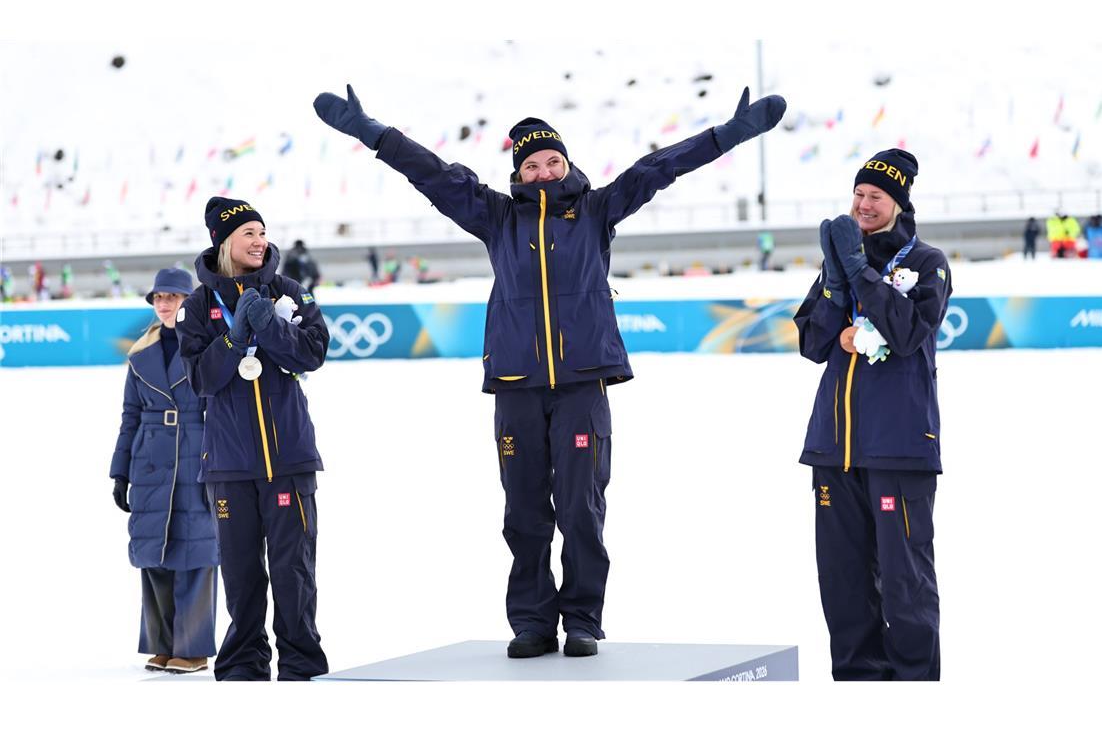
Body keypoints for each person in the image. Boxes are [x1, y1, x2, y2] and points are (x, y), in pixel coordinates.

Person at [313, 83, 786, 658]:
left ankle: (583, 618)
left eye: (552, 162)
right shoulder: (495, 216)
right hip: (516, 384)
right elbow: (431, 173)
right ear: (519, 171)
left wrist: (730, 134)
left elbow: (660, 167)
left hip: (583, 382)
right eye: (531, 164)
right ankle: (533, 621)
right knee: (525, 512)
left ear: (567, 164)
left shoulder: (597, 209)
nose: (542, 172)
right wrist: (371, 132)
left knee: (582, 509)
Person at [793, 148, 950, 681]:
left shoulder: (927, 263)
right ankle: (858, 691)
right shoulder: (839, 258)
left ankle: (914, 692)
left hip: (900, 446)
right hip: (834, 447)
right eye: (858, 194)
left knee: (905, 582)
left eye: (874, 197)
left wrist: (861, 273)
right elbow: (813, 342)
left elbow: (906, 333)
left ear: (898, 203)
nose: (862, 205)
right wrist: (837, 282)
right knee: (842, 580)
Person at [175, 197, 331, 681]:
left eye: (262, 232)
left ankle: (302, 665)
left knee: (294, 574)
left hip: (289, 459)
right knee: (242, 578)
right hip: (229, 465)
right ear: (224, 242)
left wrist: (272, 327)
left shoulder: (290, 292)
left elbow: (313, 354)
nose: (260, 241)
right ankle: (243, 665)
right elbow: (201, 379)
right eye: (249, 234)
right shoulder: (198, 307)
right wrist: (235, 338)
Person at [109, 268, 218, 674]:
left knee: (197, 551)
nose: (165, 304)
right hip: (151, 460)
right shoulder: (140, 355)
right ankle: (162, 642)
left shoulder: (208, 348)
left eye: (173, 297)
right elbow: (129, 415)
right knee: (154, 554)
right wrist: (120, 471)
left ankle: (192, 648)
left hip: (198, 455)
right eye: (159, 298)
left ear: (189, 301)